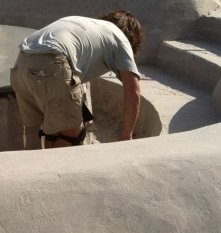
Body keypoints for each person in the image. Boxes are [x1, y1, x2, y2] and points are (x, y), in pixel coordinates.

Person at [10, 10, 145, 150]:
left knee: (45, 131)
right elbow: (132, 91)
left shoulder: (83, 22)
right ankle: (53, 170)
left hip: (21, 64)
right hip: (51, 66)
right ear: (133, 39)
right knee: (72, 133)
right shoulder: (120, 38)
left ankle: (35, 168)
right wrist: (126, 137)